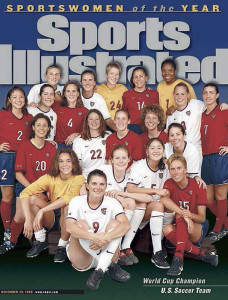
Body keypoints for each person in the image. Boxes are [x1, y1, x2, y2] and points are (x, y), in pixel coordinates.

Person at [66, 169, 130, 291]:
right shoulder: (77, 201)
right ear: (87, 186)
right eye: (94, 183)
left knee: (116, 223)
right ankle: (110, 266)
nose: (98, 187)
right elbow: (69, 227)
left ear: (106, 186)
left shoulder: (112, 202)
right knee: (80, 224)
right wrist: (95, 237)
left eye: (102, 184)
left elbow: (126, 225)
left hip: (107, 249)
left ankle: (99, 271)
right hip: (84, 257)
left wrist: (106, 237)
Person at [0, 114, 56, 254]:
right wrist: (33, 189)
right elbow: (18, 174)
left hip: (43, 190)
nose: (41, 128)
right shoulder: (24, 146)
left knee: (37, 205)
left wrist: (49, 189)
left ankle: (41, 237)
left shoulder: (51, 148)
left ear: (49, 128)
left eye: (44, 125)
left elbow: (54, 175)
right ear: (32, 127)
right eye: (38, 125)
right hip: (25, 186)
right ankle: (11, 241)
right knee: (20, 216)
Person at [19, 148, 85, 262]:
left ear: (74, 163)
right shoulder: (49, 178)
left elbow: (67, 198)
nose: (65, 164)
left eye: (68, 161)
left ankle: (62, 246)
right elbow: (24, 193)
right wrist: (28, 220)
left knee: (68, 206)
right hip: (52, 217)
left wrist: (42, 211)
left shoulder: (79, 179)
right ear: (57, 163)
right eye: (61, 161)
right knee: (33, 199)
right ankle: (40, 240)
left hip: (68, 217)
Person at [161, 154, 218, 276]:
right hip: (180, 225)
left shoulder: (197, 185)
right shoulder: (169, 183)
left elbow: (202, 217)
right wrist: (183, 214)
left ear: (185, 169)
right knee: (167, 229)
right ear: (169, 171)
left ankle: (178, 258)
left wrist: (189, 215)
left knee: (179, 216)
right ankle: (202, 255)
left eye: (179, 168)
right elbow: (164, 200)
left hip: (197, 227)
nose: (175, 172)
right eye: (172, 169)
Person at [119, 138, 171, 268]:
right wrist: (156, 191)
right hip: (136, 208)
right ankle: (125, 246)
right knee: (144, 203)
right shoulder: (139, 166)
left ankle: (157, 251)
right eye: (152, 148)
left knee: (161, 205)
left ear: (163, 151)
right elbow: (131, 188)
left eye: (159, 148)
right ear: (147, 151)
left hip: (154, 207)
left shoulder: (166, 168)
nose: (156, 151)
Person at [0, 86, 32, 244]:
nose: (19, 100)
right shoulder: (2, 115)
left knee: (23, 196)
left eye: (21, 97)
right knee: (7, 196)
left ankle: (15, 232)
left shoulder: (29, 117)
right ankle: (7, 229)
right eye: (15, 97)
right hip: (7, 157)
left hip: (24, 159)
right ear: (9, 100)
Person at [200, 83, 228, 242]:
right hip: (205, 159)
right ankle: (226, 224)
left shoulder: (224, 111)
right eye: (205, 93)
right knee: (209, 199)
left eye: (211, 92)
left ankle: (217, 230)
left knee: (220, 195)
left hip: (219, 157)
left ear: (217, 95)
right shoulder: (202, 114)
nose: (208, 95)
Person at [73, 109, 110, 178]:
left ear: (101, 121)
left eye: (97, 119)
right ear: (87, 122)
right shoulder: (78, 140)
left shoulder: (108, 137)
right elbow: (78, 164)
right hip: (86, 176)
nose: (94, 122)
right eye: (91, 119)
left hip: (105, 176)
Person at [122, 66, 159, 134]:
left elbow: (157, 114)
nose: (138, 79)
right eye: (135, 77)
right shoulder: (127, 94)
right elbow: (124, 115)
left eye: (141, 76)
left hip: (148, 128)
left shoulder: (154, 94)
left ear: (146, 78)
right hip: (131, 129)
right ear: (132, 80)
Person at [52, 81, 88, 149]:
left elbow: (91, 131)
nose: (71, 94)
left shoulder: (84, 111)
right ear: (64, 94)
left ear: (78, 93)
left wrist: (77, 134)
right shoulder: (56, 106)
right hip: (59, 146)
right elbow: (43, 106)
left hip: (76, 146)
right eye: (68, 91)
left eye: (74, 91)